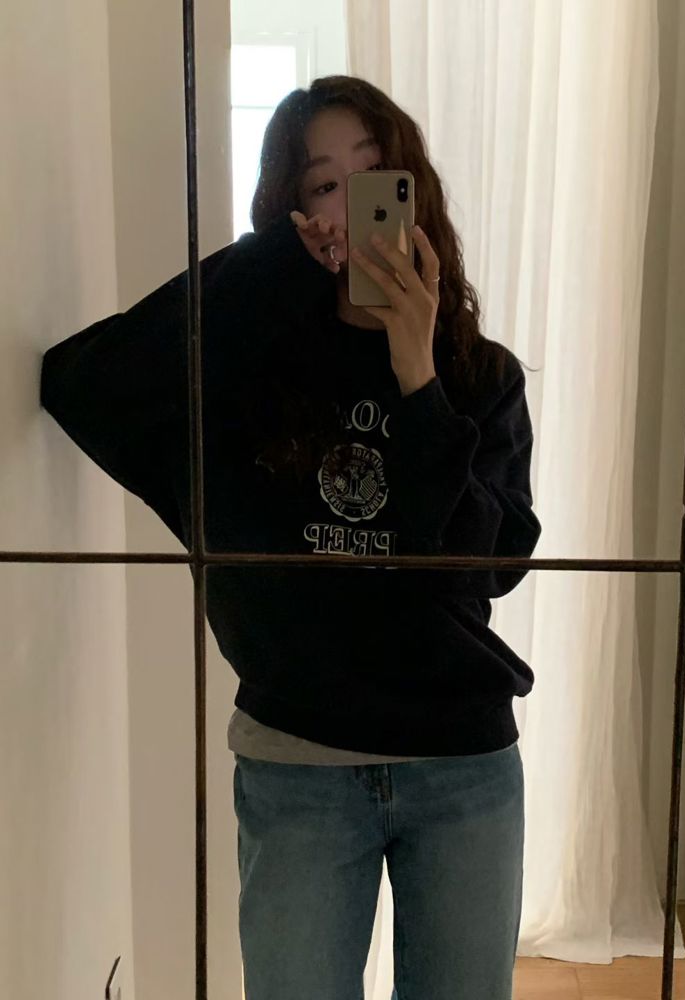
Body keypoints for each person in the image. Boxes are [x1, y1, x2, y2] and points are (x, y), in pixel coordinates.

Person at [40, 75, 542, 1000]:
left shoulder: (480, 378)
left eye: (376, 177)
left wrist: (417, 373)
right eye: (323, 186)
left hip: (462, 766)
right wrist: (266, 263)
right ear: (294, 212)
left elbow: (489, 564)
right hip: (298, 765)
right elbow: (83, 383)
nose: (353, 207)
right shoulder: (245, 379)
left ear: (414, 195)